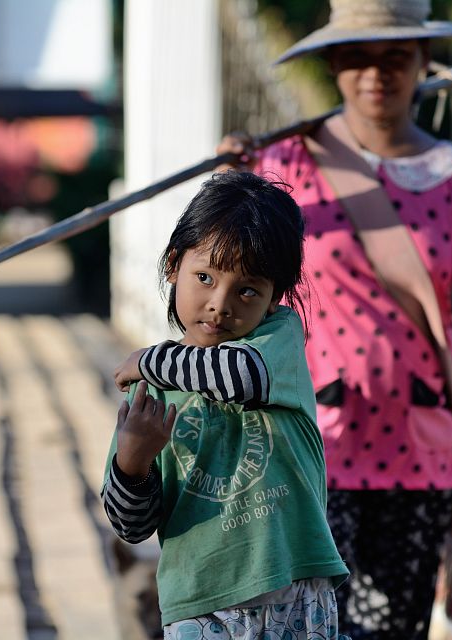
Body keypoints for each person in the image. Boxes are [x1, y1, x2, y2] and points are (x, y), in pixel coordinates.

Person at [216, 1, 452, 638]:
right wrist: (234, 187)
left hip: (417, 450)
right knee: (302, 622)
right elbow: (230, 273)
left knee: (394, 628)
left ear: (424, 63)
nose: (376, 74)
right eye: (357, 57)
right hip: (311, 443)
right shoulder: (285, 166)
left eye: (395, 57)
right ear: (334, 65)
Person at [102, 170, 350, 639]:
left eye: (248, 290)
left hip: (292, 586)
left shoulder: (277, 341)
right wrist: (130, 465)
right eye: (204, 277)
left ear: (276, 296)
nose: (220, 304)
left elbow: (237, 376)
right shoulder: (152, 391)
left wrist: (149, 359)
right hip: (198, 602)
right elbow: (130, 525)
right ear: (173, 265)